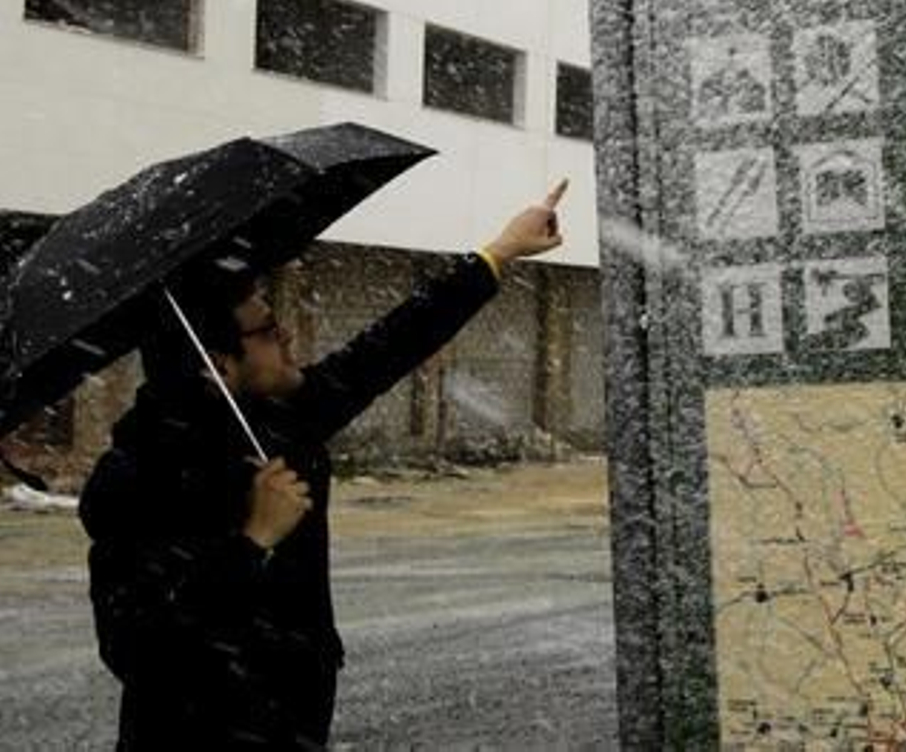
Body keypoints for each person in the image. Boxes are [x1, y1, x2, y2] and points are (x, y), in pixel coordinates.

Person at [78, 181, 569, 749]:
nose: (285, 334)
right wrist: (253, 542)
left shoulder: (277, 417)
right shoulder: (136, 478)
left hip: (295, 723)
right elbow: (138, 651)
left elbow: (387, 347)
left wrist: (499, 252)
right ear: (217, 364)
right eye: (265, 330)